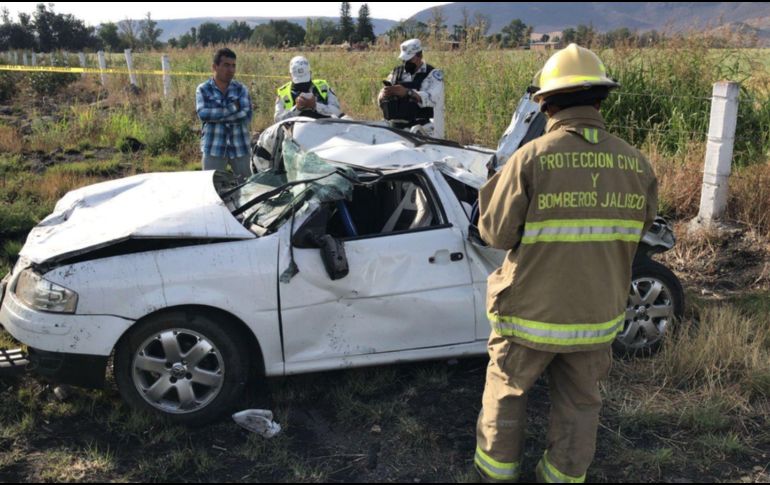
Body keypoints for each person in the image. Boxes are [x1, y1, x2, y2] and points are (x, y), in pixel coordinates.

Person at [473, 44, 658, 483]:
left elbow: (495, 233)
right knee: (581, 403)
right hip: (596, 316)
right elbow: (640, 230)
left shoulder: (531, 158)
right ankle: (561, 476)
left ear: (546, 104)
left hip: (529, 315)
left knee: (507, 393)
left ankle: (496, 474)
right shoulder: (637, 165)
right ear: (600, 101)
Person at [195, 48, 253, 181]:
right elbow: (203, 114)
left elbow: (246, 115)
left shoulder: (241, 89)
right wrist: (233, 108)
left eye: (233, 66)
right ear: (214, 67)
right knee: (211, 187)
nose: (231, 70)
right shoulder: (203, 89)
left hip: (240, 147)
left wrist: (217, 115)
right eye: (226, 65)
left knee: (248, 187)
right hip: (214, 147)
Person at [378, 38, 445, 138]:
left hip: (422, 129)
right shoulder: (396, 72)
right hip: (395, 128)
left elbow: (434, 98)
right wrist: (382, 95)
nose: (406, 63)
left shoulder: (432, 74)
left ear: (420, 56)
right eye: (404, 60)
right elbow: (383, 93)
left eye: (409, 59)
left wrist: (408, 92)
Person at [274, 56, 343, 122]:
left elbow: (337, 111)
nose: (303, 86)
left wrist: (315, 105)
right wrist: (297, 109)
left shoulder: (323, 87)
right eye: (299, 83)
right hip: (296, 129)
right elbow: (278, 119)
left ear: (310, 73)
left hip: (324, 128)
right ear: (290, 75)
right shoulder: (283, 93)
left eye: (305, 81)